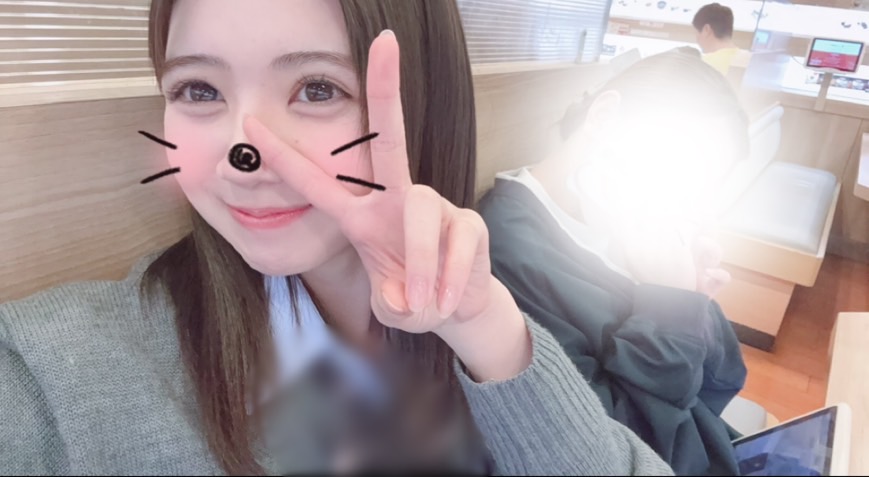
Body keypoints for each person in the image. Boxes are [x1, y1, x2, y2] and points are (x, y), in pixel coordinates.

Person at [0, 0, 675, 475]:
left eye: (317, 89)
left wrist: (485, 331)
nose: (245, 154)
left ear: (423, 103)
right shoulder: (53, 371)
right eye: (199, 90)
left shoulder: (483, 310)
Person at [477, 49, 750, 476]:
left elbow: (723, 381)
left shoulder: (629, 224)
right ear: (603, 117)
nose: (678, 199)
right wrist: (673, 306)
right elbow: (610, 449)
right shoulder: (510, 252)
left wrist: (697, 300)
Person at [692, 3, 750, 77]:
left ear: (706, 30)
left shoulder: (701, 65)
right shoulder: (749, 61)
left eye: (696, 33)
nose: (697, 40)